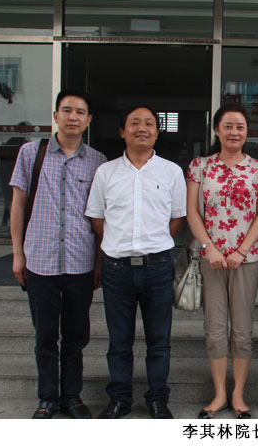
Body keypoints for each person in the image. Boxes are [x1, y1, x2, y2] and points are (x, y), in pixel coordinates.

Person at [10, 89, 106, 419]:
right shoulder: (30, 153)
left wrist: (98, 262)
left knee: (76, 336)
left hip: (80, 263)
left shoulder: (98, 161)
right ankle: (48, 398)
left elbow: (100, 217)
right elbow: (18, 205)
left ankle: (72, 397)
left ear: (88, 120)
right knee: (46, 336)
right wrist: (17, 254)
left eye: (80, 112)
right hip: (40, 261)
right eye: (67, 110)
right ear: (55, 116)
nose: (73, 117)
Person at [85, 105, 186, 419]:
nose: (142, 128)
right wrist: (118, 243)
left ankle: (157, 399)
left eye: (149, 123)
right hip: (117, 269)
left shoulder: (171, 172)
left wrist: (153, 243)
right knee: (119, 341)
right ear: (122, 131)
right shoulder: (106, 172)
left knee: (159, 341)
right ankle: (119, 399)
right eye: (134, 123)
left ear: (157, 132)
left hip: (158, 268)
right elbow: (97, 217)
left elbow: (178, 218)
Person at [186, 104, 258, 420]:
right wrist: (209, 247)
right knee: (215, 329)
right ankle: (220, 393)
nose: (234, 132)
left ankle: (238, 394)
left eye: (240, 127)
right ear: (217, 130)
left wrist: (241, 251)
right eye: (228, 126)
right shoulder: (200, 166)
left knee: (243, 330)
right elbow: (192, 211)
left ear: (247, 131)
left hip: (246, 260)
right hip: (211, 259)